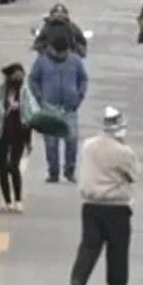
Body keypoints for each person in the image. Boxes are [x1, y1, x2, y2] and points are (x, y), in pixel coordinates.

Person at [69, 107, 139, 285]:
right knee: (118, 249)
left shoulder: (88, 145)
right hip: (116, 206)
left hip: (90, 204)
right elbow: (133, 175)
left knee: (89, 246)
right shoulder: (124, 152)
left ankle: (77, 280)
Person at [29, 35, 88, 183]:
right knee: (51, 142)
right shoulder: (42, 61)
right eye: (58, 53)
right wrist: (39, 97)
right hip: (49, 107)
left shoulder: (75, 60)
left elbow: (83, 78)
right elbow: (33, 79)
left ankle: (70, 171)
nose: (61, 55)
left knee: (71, 140)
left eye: (64, 53)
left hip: (70, 107)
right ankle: (53, 172)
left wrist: (80, 96)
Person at [0, 63, 35, 212]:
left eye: (21, 76)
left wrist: (28, 140)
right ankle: (6, 200)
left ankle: (18, 199)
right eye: (15, 76)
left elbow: (31, 117)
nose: (19, 79)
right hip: (1, 135)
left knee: (13, 166)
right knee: (2, 168)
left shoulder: (25, 94)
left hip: (19, 135)